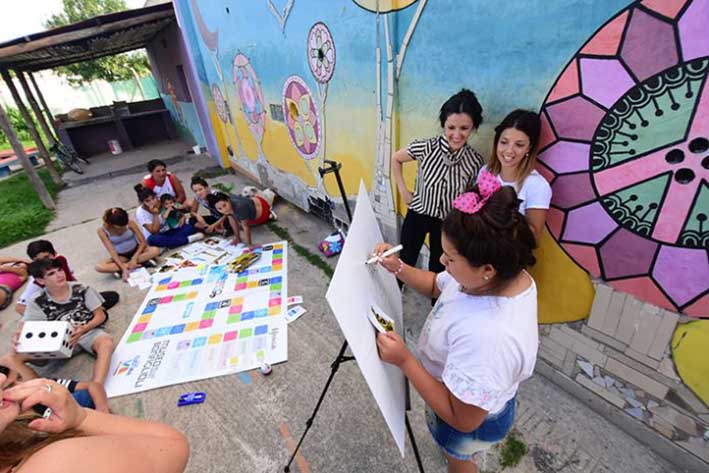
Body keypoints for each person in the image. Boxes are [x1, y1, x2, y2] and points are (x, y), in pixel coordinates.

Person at [373, 176, 538, 473]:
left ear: (486, 269)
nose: (440, 260)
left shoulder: (490, 339)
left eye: (449, 258)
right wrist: (398, 266)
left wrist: (405, 360)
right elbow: (438, 285)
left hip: (466, 418)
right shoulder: (503, 274)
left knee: (458, 456)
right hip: (466, 394)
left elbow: (462, 419)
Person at [0, 376, 189, 473]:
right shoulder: (56, 464)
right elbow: (171, 446)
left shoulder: (17, 429)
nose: (2, 378)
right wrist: (83, 419)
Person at [392, 89, 485, 280]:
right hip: (418, 213)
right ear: (443, 125)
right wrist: (403, 191)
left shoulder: (475, 161)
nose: (457, 135)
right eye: (451, 128)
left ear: (473, 127)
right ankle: (391, 303)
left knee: (440, 268)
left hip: (447, 224)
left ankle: (438, 308)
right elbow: (395, 158)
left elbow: (474, 196)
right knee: (405, 261)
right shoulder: (426, 147)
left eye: (464, 128)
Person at [7, 258, 115, 384]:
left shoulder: (81, 288)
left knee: (106, 342)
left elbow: (100, 315)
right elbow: (25, 326)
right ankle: (40, 387)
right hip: (56, 341)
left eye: (60, 270)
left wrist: (84, 328)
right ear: (41, 280)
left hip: (87, 332)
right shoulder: (37, 300)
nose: (59, 275)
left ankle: (97, 384)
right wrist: (19, 337)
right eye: (51, 274)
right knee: (11, 357)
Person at [480, 109, 551, 239]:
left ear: (529, 148)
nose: (509, 151)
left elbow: (534, 238)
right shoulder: (486, 171)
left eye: (519, 145)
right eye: (504, 142)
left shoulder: (537, 185)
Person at [16, 240, 118, 316]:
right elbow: (20, 307)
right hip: (59, 310)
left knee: (111, 297)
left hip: (73, 299)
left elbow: (72, 279)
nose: (45, 262)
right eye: (39, 260)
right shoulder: (37, 280)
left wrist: (86, 295)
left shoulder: (60, 262)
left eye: (47, 257)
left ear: (54, 254)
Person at [0, 357, 109, 413]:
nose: (21, 384)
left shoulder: (42, 385)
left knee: (84, 396)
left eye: (19, 377)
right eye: (10, 387)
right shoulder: (12, 420)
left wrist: (102, 410)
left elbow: (93, 386)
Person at [95, 208, 160, 281]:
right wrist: (124, 268)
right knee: (99, 267)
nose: (122, 228)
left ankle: (124, 267)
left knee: (155, 250)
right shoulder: (102, 231)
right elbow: (112, 251)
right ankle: (137, 264)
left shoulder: (130, 223)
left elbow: (143, 242)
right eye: (119, 227)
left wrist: (134, 258)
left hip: (137, 251)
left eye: (124, 226)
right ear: (111, 224)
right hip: (122, 256)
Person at [134, 184, 203, 249]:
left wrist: (182, 217)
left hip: (170, 230)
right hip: (157, 235)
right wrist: (155, 215)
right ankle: (188, 239)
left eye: (153, 198)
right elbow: (154, 231)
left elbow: (176, 211)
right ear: (142, 202)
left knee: (190, 227)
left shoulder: (160, 201)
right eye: (147, 201)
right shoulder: (141, 212)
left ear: (156, 196)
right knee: (153, 240)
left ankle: (170, 243)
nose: (152, 202)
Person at [206, 191, 273, 247]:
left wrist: (249, 244)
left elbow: (246, 227)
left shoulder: (239, 208)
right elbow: (232, 221)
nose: (224, 210)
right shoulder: (228, 205)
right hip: (253, 203)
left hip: (263, 213)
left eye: (224, 205)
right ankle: (238, 238)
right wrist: (237, 238)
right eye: (219, 209)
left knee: (240, 222)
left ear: (228, 200)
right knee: (231, 217)